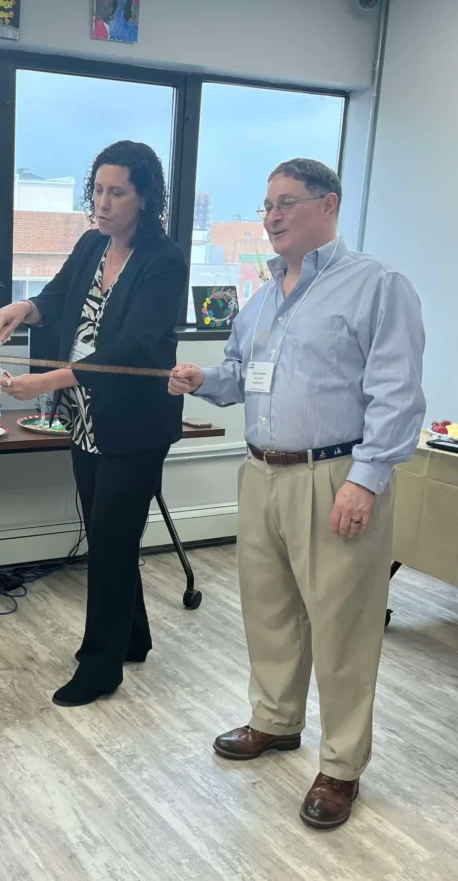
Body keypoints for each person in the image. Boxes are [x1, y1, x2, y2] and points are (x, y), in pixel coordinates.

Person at [168, 158, 425, 830]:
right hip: (262, 473)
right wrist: (201, 379)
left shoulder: (376, 286)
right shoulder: (261, 300)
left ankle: (341, 765)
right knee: (271, 610)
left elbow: (397, 394)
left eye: (286, 203)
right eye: (266, 205)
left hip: (335, 474)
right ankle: (276, 721)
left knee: (344, 623)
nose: (272, 216)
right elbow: (237, 376)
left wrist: (366, 480)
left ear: (328, 205)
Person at [0, 141, 187, 708]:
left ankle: (100, 666)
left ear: (144, 197)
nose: (102, 202)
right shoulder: (90, 244)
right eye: (98, 190)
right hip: (84, 418)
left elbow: (134, 346)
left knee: (109, 541)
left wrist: (47, 381)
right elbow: (57, 297)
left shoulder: (164, 260)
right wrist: (22, 309)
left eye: (117, 192)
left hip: (135, 425)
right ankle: (133, 636)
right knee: (111, 536)